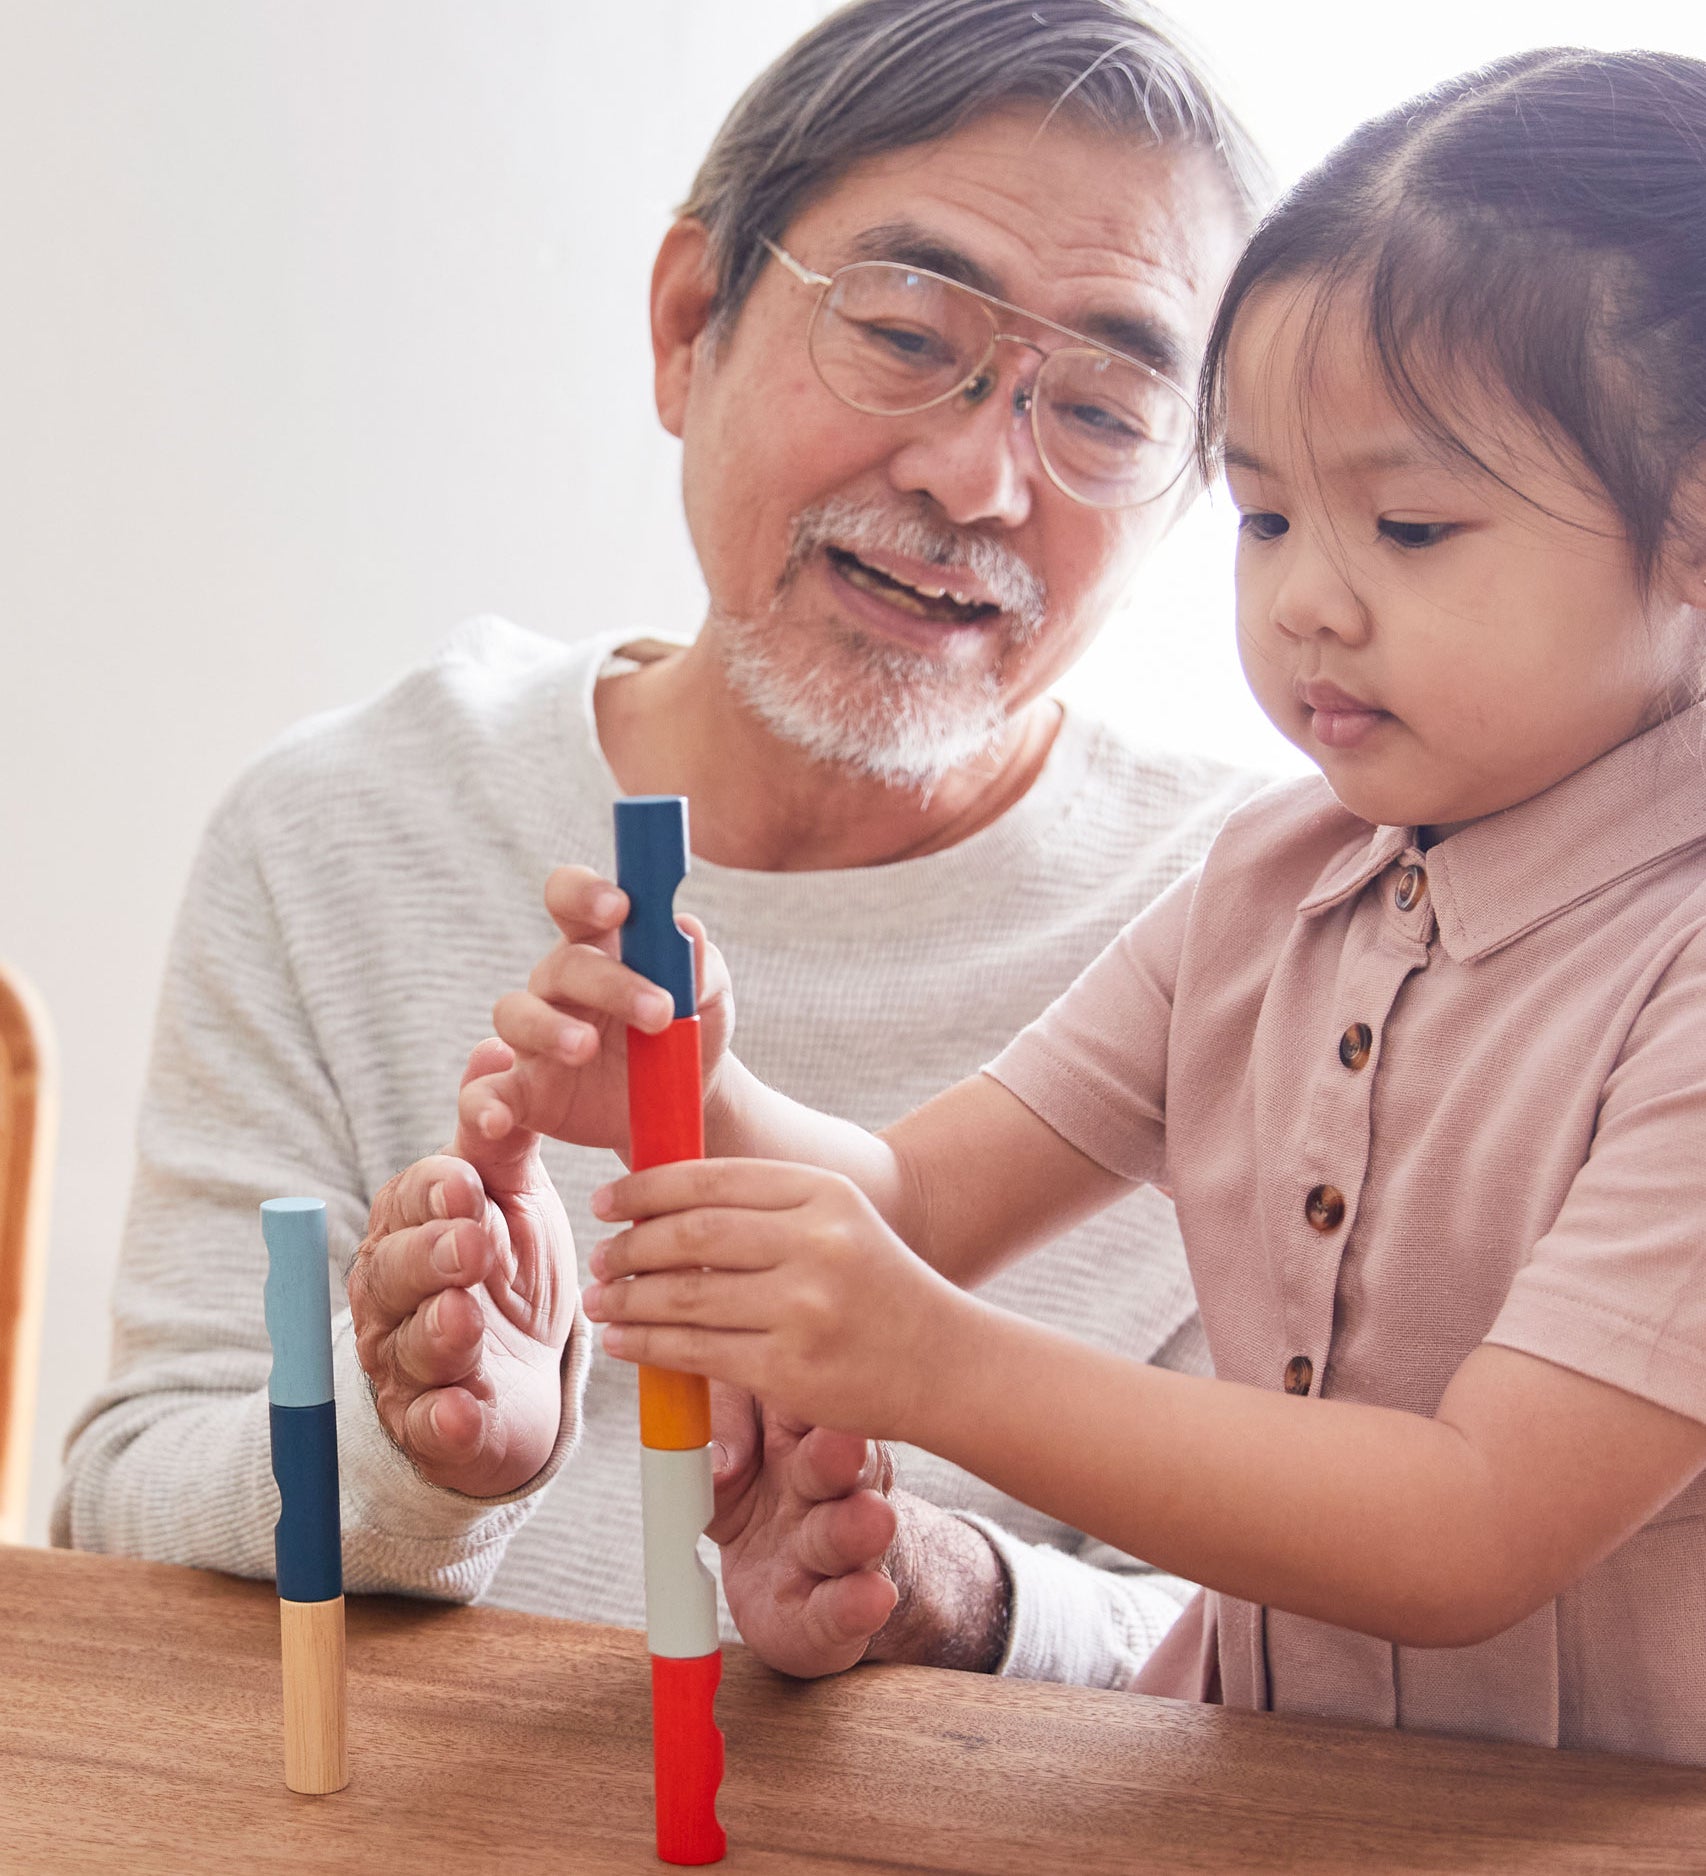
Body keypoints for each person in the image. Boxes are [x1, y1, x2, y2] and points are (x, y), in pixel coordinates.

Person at [476, 48, 1706, 1761]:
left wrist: (934, 1367)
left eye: (1410, 527)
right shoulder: (1272, 884)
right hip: (1242, 1803)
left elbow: (1471, 1522)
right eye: (1265, 515)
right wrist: (703, 1099)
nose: (1306, 607)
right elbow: (914, 1198)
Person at [54, 0, 1271, 1687]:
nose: (980, 480)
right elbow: (118, 1496)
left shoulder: (1277, 929)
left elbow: (1297, 1641)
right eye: (909, 333)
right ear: (690, 323)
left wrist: (938, 1589)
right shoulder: (340, 828)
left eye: (1108, 413)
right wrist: (418, 1457)